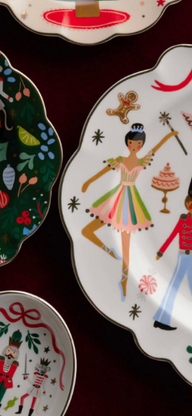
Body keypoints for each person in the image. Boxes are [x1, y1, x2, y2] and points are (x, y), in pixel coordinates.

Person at [82, 123, 178, 300]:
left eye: (139, 144)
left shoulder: (142, 162)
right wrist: (89, 181)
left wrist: (168, 136)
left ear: (141, 145)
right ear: (127, 143)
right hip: (117, 198)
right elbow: (104, 171)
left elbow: (155, 149)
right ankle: (108, 250)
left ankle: (124, 280)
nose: (135, 146)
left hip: (129, 202)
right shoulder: (120, 159)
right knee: (86, 231)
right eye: (132, 143)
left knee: (126, 244)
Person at [153, 176, 192, 331]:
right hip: (184, 256)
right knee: (174, 286)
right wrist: (161, 252)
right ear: (188, 204)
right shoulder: (183, 219)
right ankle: (161, 319)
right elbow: (172, 236)